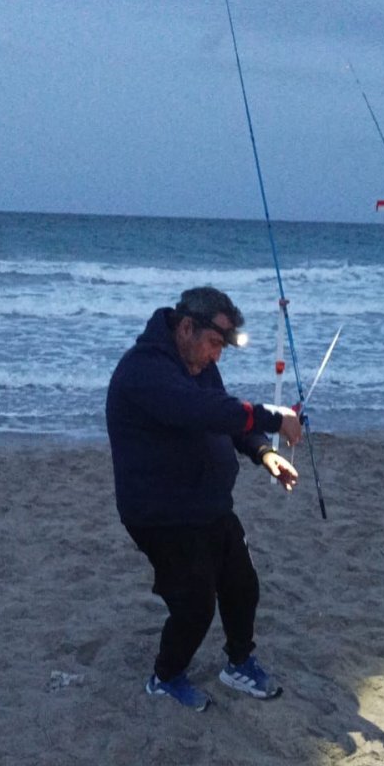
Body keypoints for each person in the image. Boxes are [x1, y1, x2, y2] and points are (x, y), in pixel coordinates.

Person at [106, 286, 302, 712]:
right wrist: (275, 416)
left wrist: (264, 452)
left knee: (242, 586)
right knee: (195, 603)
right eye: (214, 343)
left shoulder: (200, 364)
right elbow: (202, 412)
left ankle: (238, 663)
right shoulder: (145, 371)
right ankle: (166, 676)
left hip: (207, 502)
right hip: (160, 512)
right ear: (187, 327)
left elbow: (226, 413)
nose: (217, 356)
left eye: (222, 347)